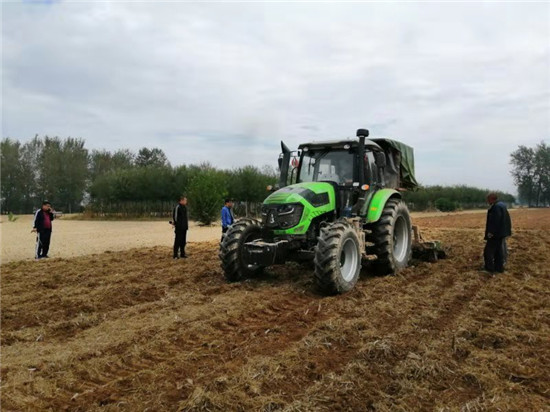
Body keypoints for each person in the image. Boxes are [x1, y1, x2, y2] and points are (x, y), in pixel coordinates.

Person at [484, 193, 512, 273]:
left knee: (488, 251)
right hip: (501, 233)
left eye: (488, 199)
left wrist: (491, 233)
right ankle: (499, 268)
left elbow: (495, 221)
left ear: (492, 199)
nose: (487, 201)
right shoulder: (502, 205)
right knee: (498, 252)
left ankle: (489, 268)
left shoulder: (496, 207)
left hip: (495, 234)